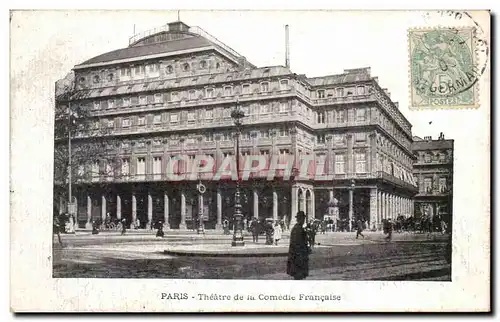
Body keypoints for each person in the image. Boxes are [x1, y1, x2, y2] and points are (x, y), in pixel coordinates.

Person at [287, 211, 311, 280]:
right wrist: (306, 249)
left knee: (299, 276)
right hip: (298, 257)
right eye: (302, 219)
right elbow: (297, 244)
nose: (303, 220)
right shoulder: (298, 229)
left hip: (298, 257)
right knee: (298, 276)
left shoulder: (298, 228)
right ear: (300, 219)